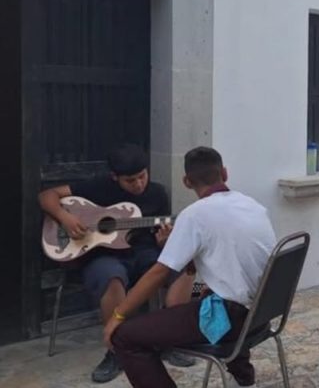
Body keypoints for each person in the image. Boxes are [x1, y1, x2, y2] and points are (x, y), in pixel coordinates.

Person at [105, 146, 278, 388]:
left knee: (125, 336)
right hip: (261, 313)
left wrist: (118, 315)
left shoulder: (194, 215)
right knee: (198, 294)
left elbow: (159, 273)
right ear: (224, 173)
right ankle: (243, 378)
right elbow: (183, 294)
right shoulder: (254, 206)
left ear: (187, 182)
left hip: (228, 318)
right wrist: (180, 250)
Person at [38, 144, 195, 383]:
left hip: (143, 252)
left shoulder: (157, 194)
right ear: (115, 177)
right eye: (130, 180)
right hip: (104, 256)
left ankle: (169, 339)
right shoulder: (98, 187)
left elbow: (161, 241)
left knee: (181, 268)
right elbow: (46, 196)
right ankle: (117, 350)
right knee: (111, 276)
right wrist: (65, 217)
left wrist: (164, 242)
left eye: (142, 176)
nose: (139, 184)